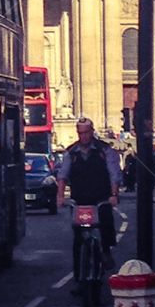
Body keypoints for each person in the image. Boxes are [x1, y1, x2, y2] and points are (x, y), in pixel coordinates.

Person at [57, 117, 121, 276]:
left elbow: (114, 174)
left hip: (101, 198)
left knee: (106, 223)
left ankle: (105, 251)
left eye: (86, 133)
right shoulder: (71, 153)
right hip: (79, 200)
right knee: (78, 239)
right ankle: (79, 278)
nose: (83, 136)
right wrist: (60, 196)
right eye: (80, 133)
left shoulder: (104, 150)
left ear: (92, 132)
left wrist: (113, 195)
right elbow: (62, 176)